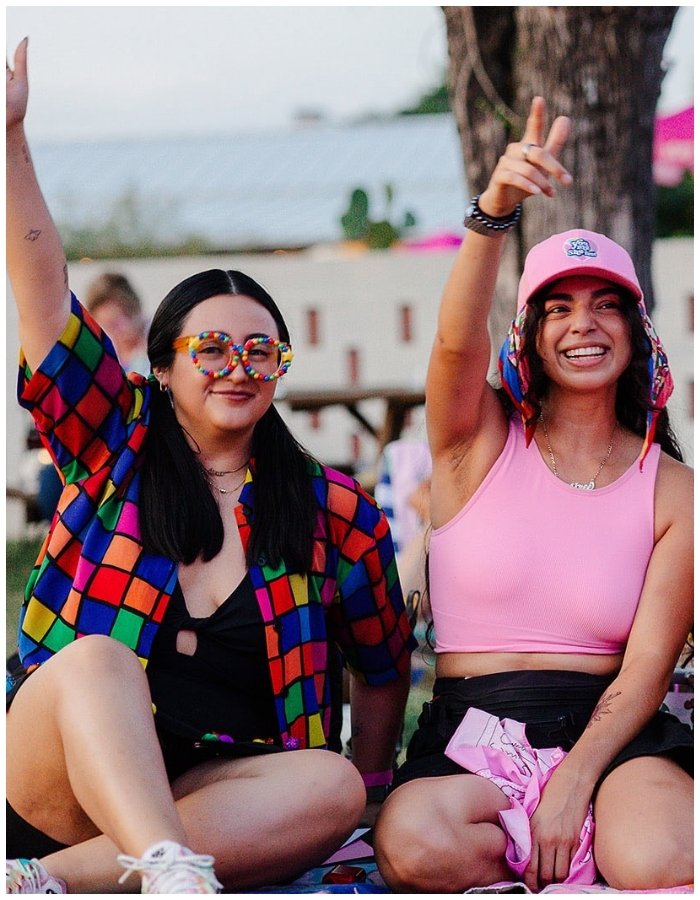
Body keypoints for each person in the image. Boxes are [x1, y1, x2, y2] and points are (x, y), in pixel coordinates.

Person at [6, 40, 415, 894]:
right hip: (59, 777)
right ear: (162, 365)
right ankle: (154, 864)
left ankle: (55, 882)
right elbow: (46, 297)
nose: (239, 365)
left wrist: (369, 800)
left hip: (212, 795)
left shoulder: (332, 508)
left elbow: (382, 666)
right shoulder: (111, 440)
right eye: (214, 346)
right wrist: (11, 141)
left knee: (332, 783)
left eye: (262, 349)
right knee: (95, 660)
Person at [374, 97, 693, 892]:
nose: (582, 324)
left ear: (635, 327)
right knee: (415, 845)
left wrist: (575, 783)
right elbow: (453, 343)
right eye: (558, 307)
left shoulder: (675, 489)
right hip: (468, 735)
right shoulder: (473, 441)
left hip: (614, 737)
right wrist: (494, 213)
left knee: (659, 862)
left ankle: (589, 850)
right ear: (529, 335)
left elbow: (650, 665)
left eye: (603, 303)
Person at [84, 272, 151, 374]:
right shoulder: (103, 353)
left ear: (132, 309)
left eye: (115, 323)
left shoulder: (160, 340)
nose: (111, 332)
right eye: (105, 326)